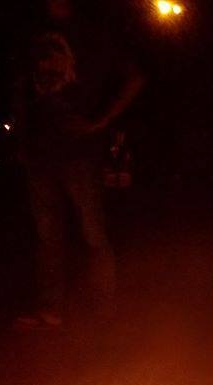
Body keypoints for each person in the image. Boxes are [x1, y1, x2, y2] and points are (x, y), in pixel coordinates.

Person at [12, 0, 145, 327]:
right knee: (47, 235)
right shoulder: (32, 30)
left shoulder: (92, 32)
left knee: (93, 232)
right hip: (39, 151)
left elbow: (135, 78)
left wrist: (101, 121)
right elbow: (20, 86)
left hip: (79, 151)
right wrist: (20, 135)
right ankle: (50, 310)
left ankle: (103, 309)